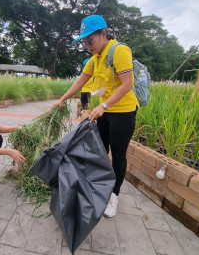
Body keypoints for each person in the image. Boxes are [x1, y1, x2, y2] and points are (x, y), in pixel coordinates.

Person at [53, 15, 139, 217]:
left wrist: (104, 106)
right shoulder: (94, 59)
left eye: (90, 40)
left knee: (118, 155)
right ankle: (100, 186)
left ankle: (114, 195)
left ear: (103, 33)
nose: (87, 45)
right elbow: (79, 82)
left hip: (123, 112)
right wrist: (62, 99)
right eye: (84, 41)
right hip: (105, 112)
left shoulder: (119, 51)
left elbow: (127, 84)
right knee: (100, 151)